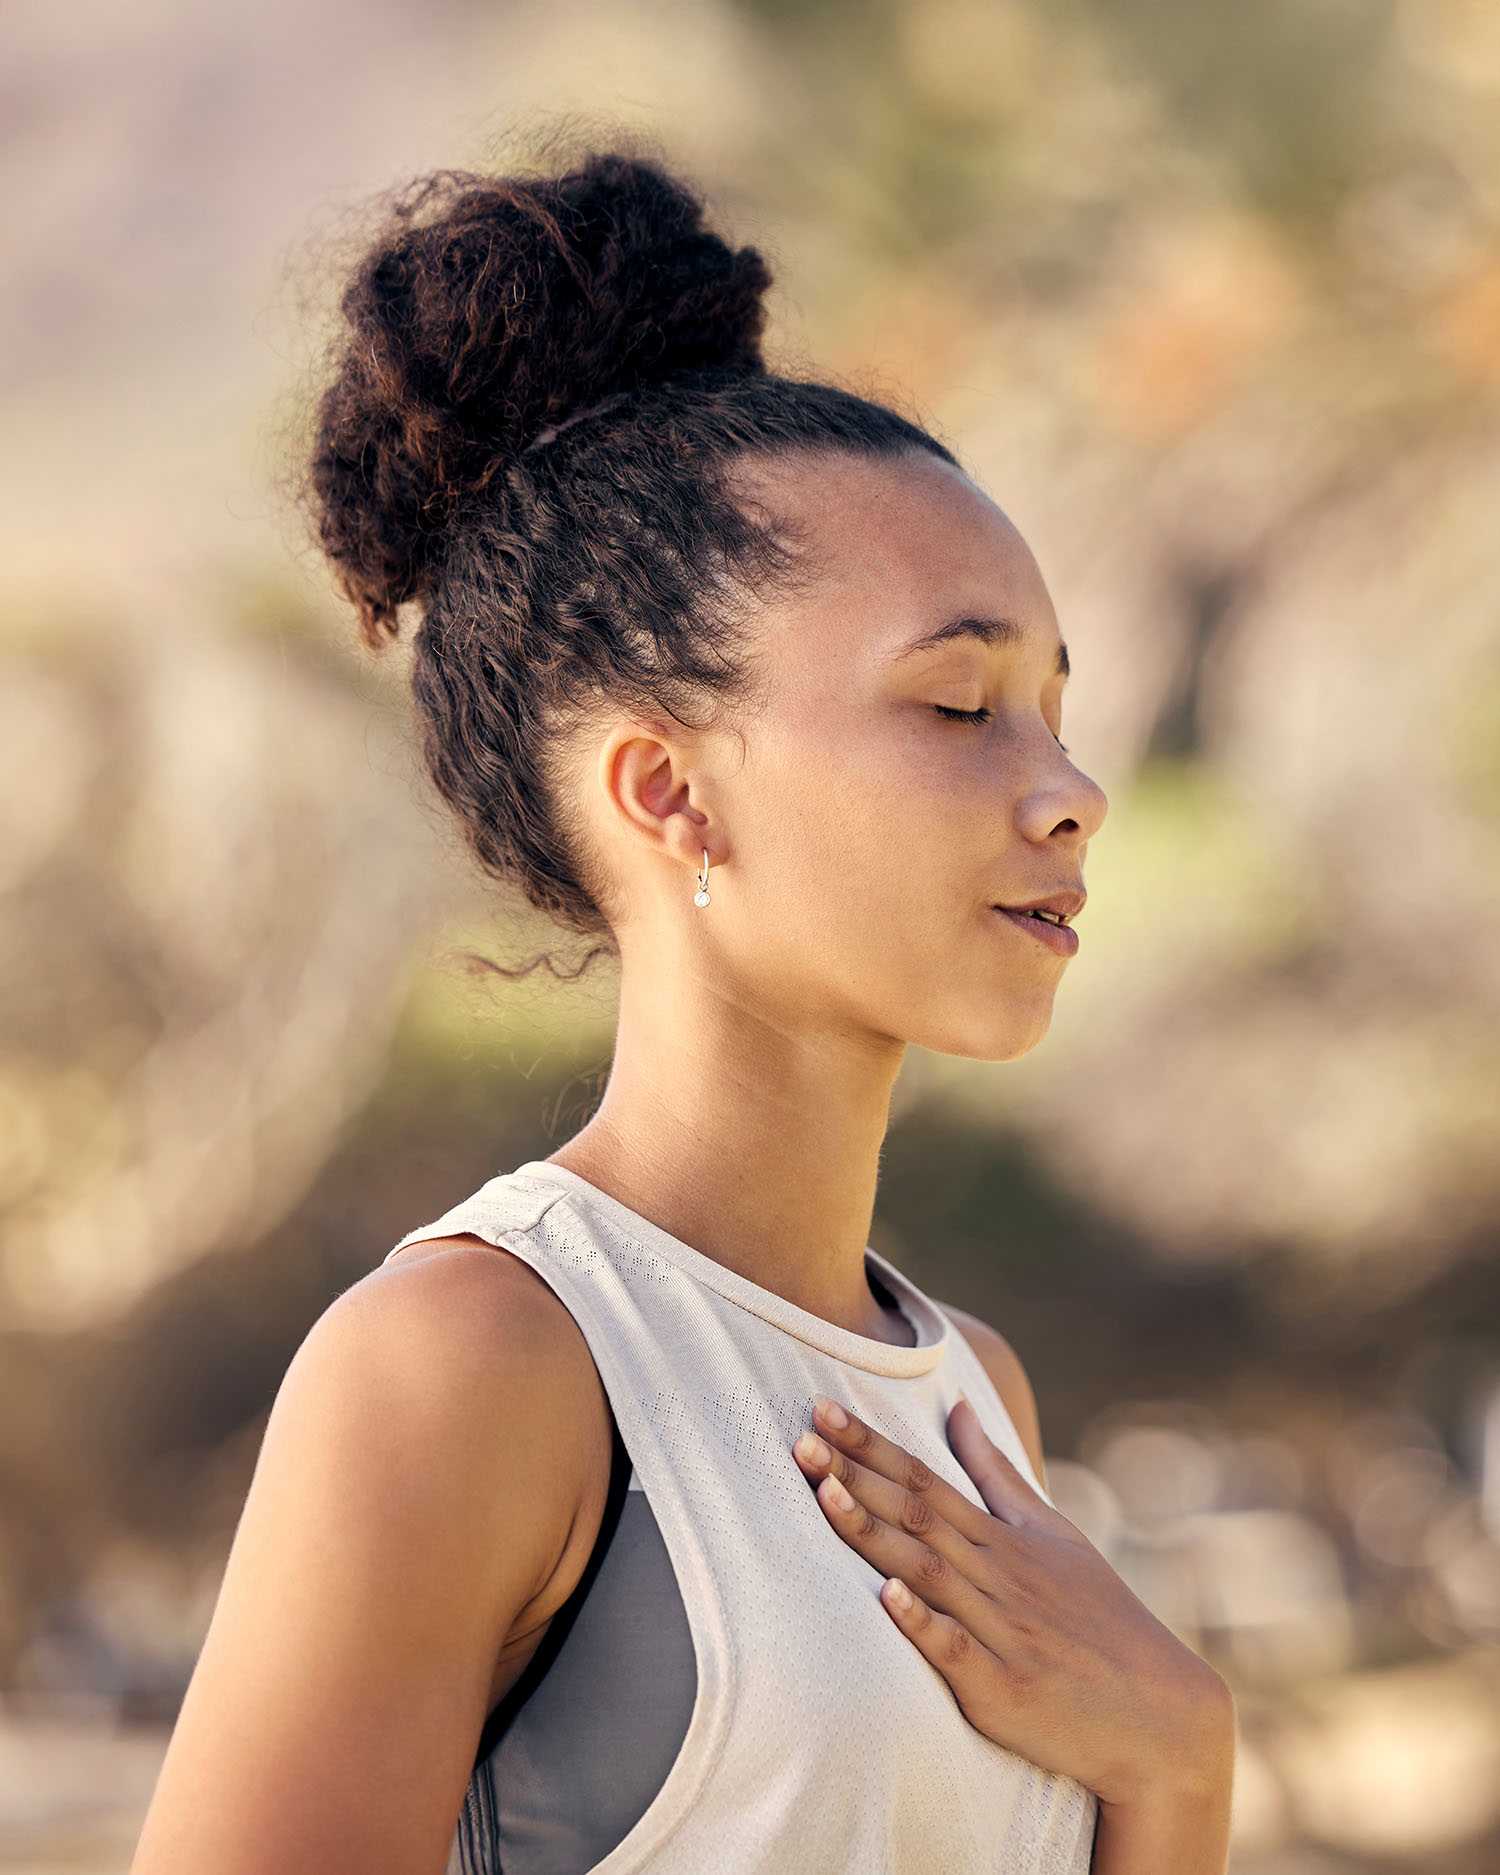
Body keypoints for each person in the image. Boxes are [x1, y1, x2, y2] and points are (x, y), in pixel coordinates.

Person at [130, 135, 1235, 1875]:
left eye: (1052, 706)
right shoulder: (471, 1370)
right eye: (959, 708)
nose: (1068, 787)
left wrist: (1178, 1768)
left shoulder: (971, 1401)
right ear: (668, 795)